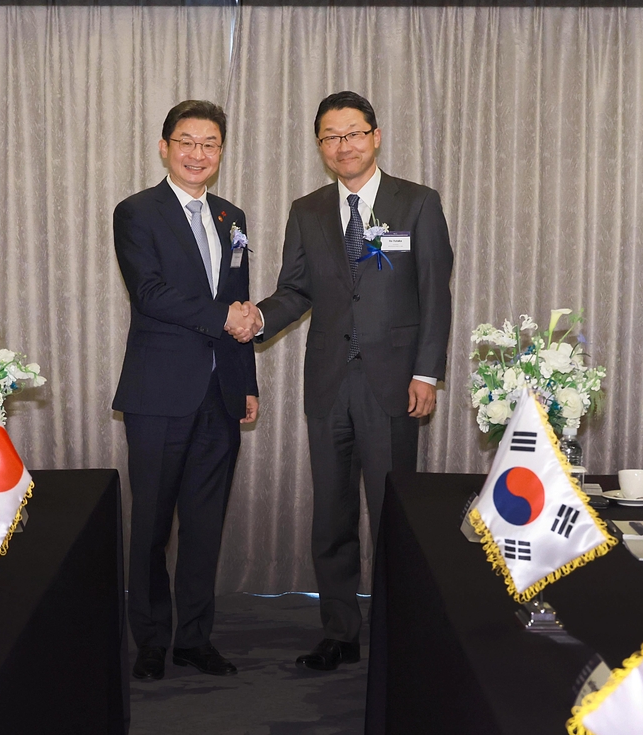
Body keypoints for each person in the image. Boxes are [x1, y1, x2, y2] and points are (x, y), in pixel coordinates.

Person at [231, 91, 453, 671]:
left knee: (393, 515)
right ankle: (339, 632)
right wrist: (259, 318)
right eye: (330, 137)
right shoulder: (307, 210)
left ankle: (400, 630)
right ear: (320, 146)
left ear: (375, 136)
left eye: (353, 133)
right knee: (331, 515)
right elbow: (295, 290)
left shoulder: (417, 203)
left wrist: (426, 372)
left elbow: (435, 293)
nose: (343, 145)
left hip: (394, 383)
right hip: (328, 383)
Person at [113, 100, 260, 680]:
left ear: (221, 151)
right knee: (151, 523)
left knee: (205, 525)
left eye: (210, 144)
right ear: (164, 147)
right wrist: (224, 317)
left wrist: (246, 382)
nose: (198, 154)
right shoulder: (136, 212)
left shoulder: (231, 216)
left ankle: (194, 638)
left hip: (221, 393)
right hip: (159, 393)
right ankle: (150, 640)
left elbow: (240, 303)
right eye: (187, 142)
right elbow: (149, 293)